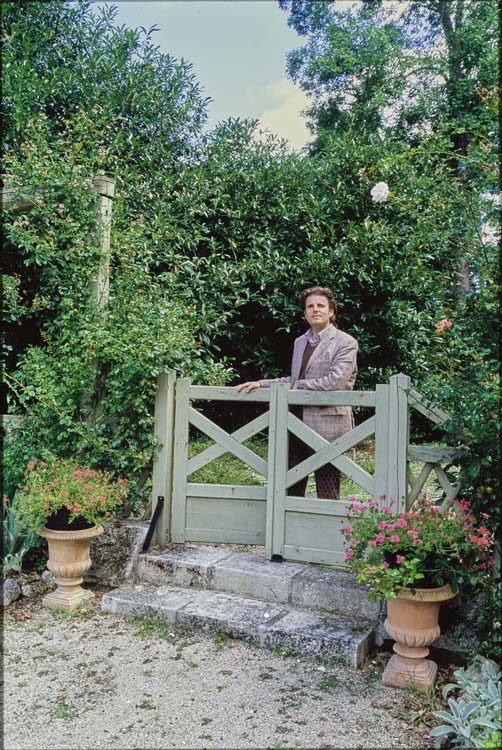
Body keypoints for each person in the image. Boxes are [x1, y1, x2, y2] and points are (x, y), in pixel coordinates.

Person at [236, 286, 358, 499]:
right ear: (305, 313)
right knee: (291, 487)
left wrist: (296, 386)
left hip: (327, 426)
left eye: (321, 305)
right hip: (295, 423)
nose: (315, 310)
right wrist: (261, 384)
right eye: (310, 306)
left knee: (327, 491)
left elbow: (334, 382)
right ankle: (291, 532)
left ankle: (326, 532)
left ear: (331, 312)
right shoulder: (300, 342)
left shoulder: (345, 342)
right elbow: (294, 380)